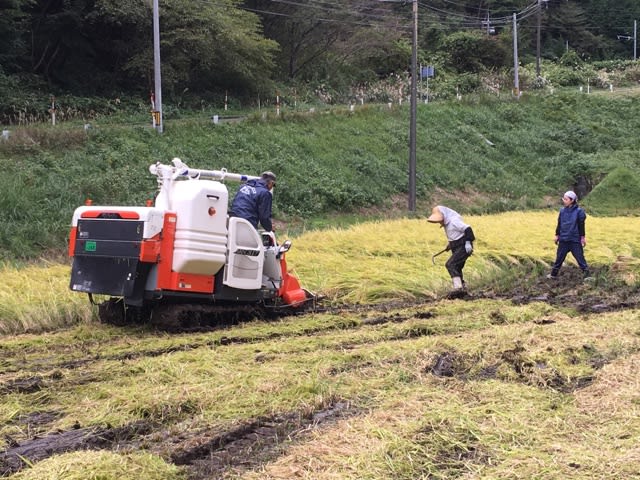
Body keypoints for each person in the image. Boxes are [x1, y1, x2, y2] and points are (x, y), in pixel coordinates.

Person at [427, 206, 475, 295]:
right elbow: (455, 235)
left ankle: (458, 287)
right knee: (457, 267)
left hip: (464, 246)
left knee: (450, 264)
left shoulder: (454, 221)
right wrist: (451, 245)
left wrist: (468, 242)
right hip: (456, 246)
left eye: (440, 220)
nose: (439, 222)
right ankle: (463, 288)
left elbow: (468, 229)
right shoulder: (447, 223)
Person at [547, 190, 591, 280]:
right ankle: (553, 275)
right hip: (563, 239)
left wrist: (582, 237)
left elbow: (581, 225)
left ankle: (587, 276)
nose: (564, 200)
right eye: (564, 198)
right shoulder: (562, 211)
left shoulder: (579, 212)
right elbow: (559, 224)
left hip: (574, 239)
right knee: (559, 258)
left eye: (566, 199)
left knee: (580, 258)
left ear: (572, 200)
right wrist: (557, 235)